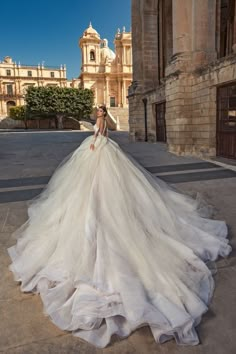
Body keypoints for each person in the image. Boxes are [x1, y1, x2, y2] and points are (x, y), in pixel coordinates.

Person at [8, 105, 231, 348]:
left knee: (105, 186)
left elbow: (102, 134)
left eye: (101, 112)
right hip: (96, 151)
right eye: (99, 112)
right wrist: (93, 141)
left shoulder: (102, 124)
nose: (99, 114)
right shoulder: (99, 121)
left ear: (103, 114)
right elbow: (98, 132)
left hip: (101, 151)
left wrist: (95, 143)